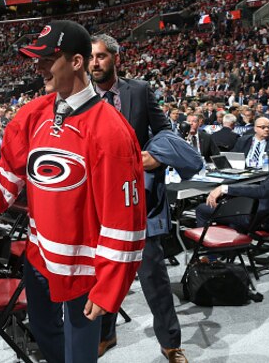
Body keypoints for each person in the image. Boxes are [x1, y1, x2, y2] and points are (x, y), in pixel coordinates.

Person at [0, 21, 146, 363]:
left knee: (80, 353)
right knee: (44, 331)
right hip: (37, 258)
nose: (38, 69)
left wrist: (109, 284)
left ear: (77, 62)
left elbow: (125, 220)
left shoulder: (111, 131)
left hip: (83, 271)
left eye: (47, 59)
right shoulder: (33, 113)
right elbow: (10, 169)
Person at [89, 33, 189, 362]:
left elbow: (165, 131)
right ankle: (106, 334)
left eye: (101, 56)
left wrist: (157, 155)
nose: (94, 63)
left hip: (138, 203)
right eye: (90, 58)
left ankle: (170, 344)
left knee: (154, 277)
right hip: (99, 204)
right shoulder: (82, 98)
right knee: (100, 274)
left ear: (116, 57)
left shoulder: (140, 91)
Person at [196, 154, 269, 237]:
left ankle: (208, 254)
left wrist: (224, 188)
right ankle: (232, 246)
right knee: (230, 202)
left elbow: (264, 191)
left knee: (202, 209)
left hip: (263, 218)